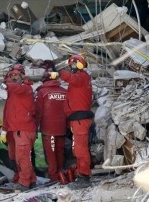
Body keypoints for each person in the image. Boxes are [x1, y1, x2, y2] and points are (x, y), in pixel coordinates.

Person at [57, 54, 94, 189]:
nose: (71, 67)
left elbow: (69, 77)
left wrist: (59, 71)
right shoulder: (79, 80)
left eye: (73, 64)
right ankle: (81, 174)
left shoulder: (82, 77)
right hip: (76, 119)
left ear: (80, 64)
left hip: (80, 119)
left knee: (80, 149)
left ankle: (84, 176)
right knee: (77, 149)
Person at [0, 64, 37, 191]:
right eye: (11, 75)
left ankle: (24, 183)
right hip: (15, 129)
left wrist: (7, 85)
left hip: (23, 129)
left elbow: (17, 88)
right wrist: (4, 130)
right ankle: (30, 180)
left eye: (16, 75)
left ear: (22, 75)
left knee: (23, 158)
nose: (14, 77)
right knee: (19, 158)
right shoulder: (13, 94)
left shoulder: (26, 88)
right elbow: (7, 112)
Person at [35, 60, 67, 182]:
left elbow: (38, 111)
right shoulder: (64, 91)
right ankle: (61, 175)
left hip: (48, 131)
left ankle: (54, 177)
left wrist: (36, 127)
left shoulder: (42, 92)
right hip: (62, 128)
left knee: (51, 154)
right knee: (60, 152)